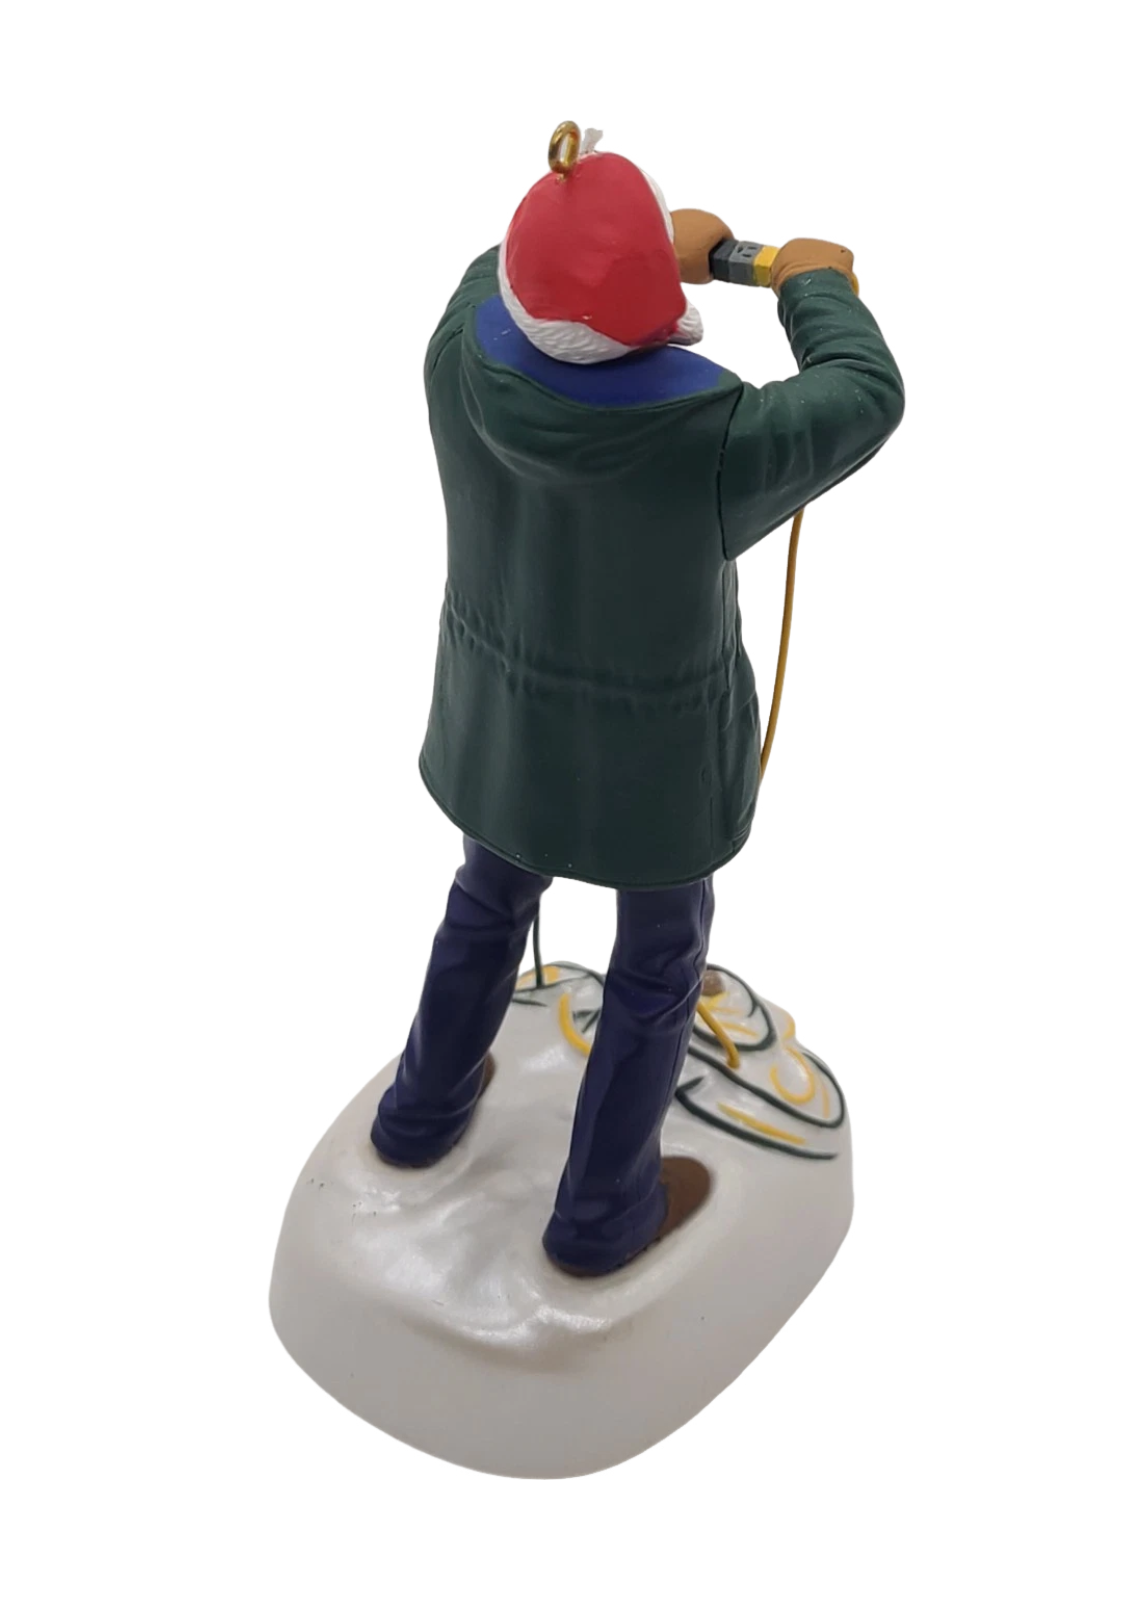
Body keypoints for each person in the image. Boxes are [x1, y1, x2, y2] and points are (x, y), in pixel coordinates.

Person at [370, 132, 904, 1276]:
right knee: (657, 964)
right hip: (650, 772)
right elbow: (865, 393)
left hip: (501, 736)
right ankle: (601, 1217)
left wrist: (619, 249)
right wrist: (808, 285)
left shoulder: (455, 352)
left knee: (485, 901)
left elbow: (500, 268)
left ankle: (417, 1116)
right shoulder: (708, 440)